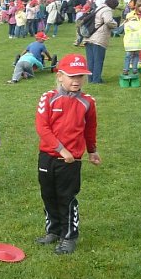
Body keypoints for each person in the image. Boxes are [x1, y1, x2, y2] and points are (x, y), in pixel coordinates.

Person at [34, 54, 101, 255]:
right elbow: (42, 128)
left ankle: (69, 236)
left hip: (71, 161)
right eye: (72, 76)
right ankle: (53, 231)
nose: (76, 80)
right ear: (60, 76)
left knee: (66, 197)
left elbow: (90, 129)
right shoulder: (48, 98)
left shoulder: (87, 102)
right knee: (48, 195)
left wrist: (92, 150)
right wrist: (61, 149)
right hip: (48, 157)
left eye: (80, 76)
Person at [83, 0, 118, 84]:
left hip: (89, 36)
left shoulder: (98, 7)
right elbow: (108, 21)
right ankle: (96, 80)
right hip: (98, 38)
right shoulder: (107, 10)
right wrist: (115, 24)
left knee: (90, 60)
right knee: (98, 60)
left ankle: (90, 79)